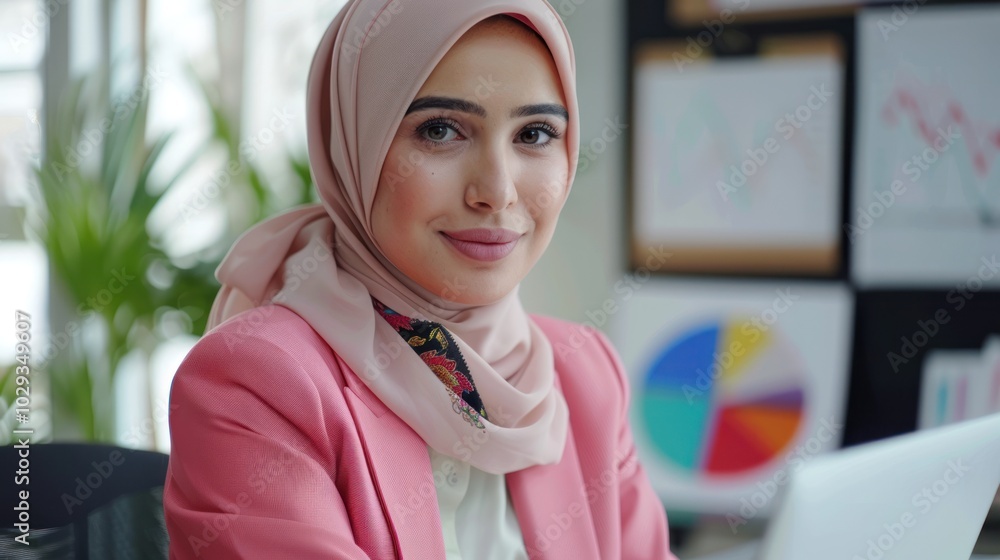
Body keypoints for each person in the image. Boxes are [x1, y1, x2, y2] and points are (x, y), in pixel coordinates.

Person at [162, 0, 678, 558]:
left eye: (534, 134)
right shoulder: (257, 381)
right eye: (440, 130)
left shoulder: (584, 372)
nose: (496, 190)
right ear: (355, 144)